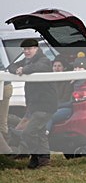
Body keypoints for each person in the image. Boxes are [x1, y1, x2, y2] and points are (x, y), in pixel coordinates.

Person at [8, 39, 57, 168]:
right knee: (40, 132)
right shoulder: (27, 60)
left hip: (45, 104)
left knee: (28, 132)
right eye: (24, 49)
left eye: (29, 49)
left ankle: (37, 157)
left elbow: (40, 67)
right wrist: (19, 69)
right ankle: (43, 161)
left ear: (36, 48)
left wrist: (23, 69)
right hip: (35, 104)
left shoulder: (44, 60)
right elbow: (11, 67)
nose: (26, 51)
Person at [47, 56, 74, 134]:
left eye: (59, 66)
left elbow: (65, 100)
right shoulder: (50, 82)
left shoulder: (67, 82)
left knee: (49, 117)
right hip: (52, 107)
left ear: (64, 68)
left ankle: (45, 134)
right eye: (54, 66)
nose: (56, 68)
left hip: (65, 108)